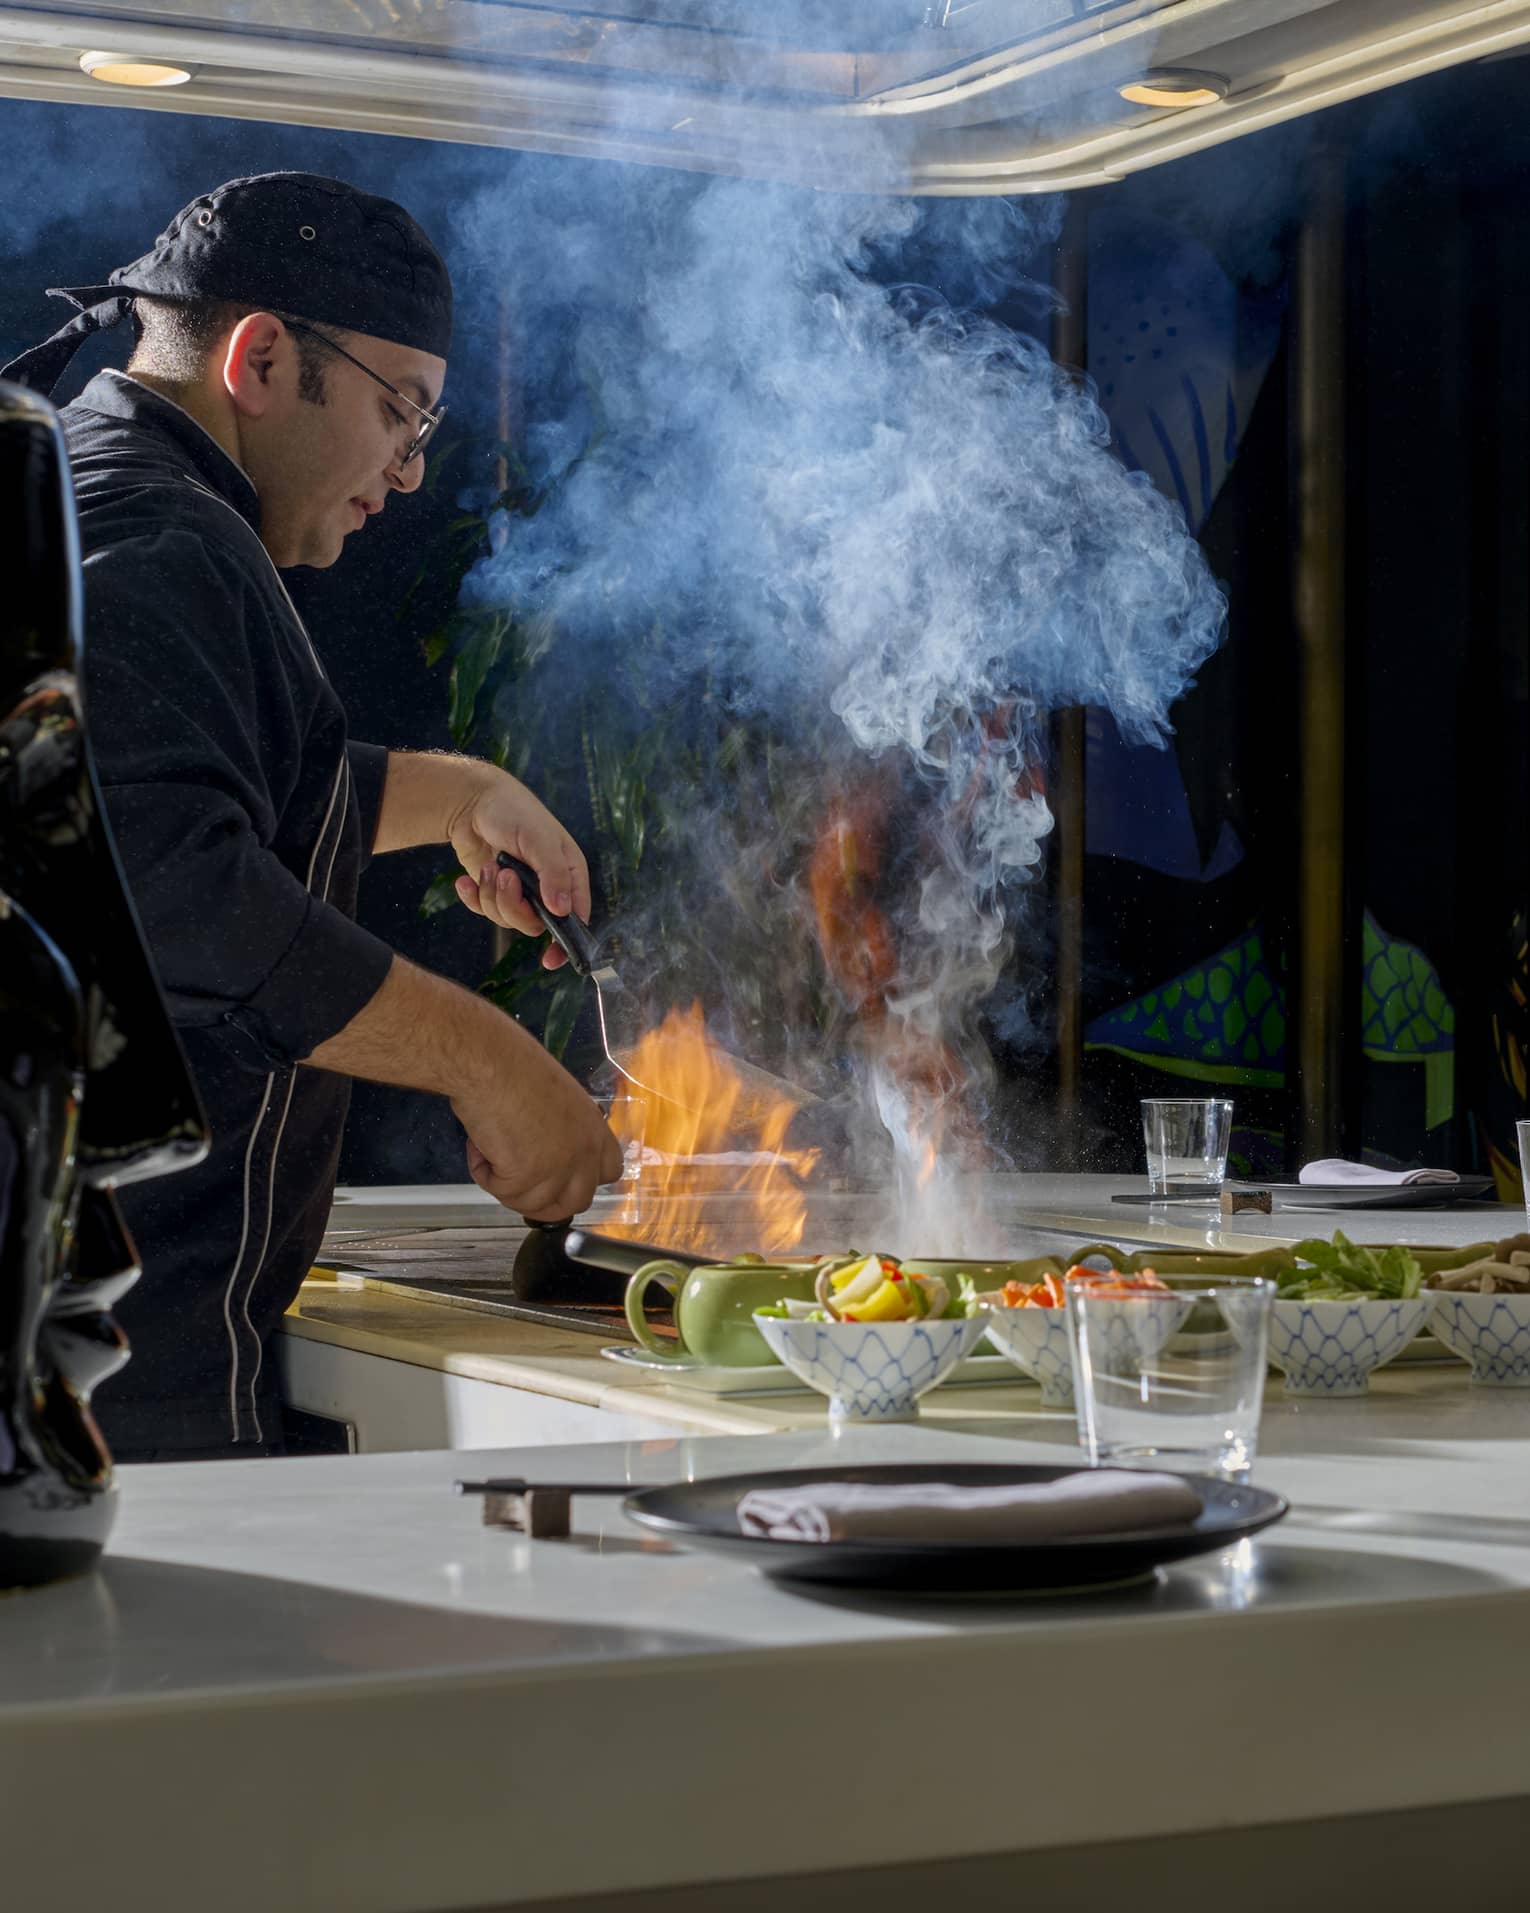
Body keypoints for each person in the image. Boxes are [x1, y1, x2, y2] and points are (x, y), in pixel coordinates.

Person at [1, 171, 622, 1461]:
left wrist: (458, 791)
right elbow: (169, 890)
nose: (404, 471)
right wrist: (490, 1062)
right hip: (102, 1367)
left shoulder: (84, 492)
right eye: (402, 412)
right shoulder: (165, 538)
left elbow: (154, 785)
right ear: (264, 357)